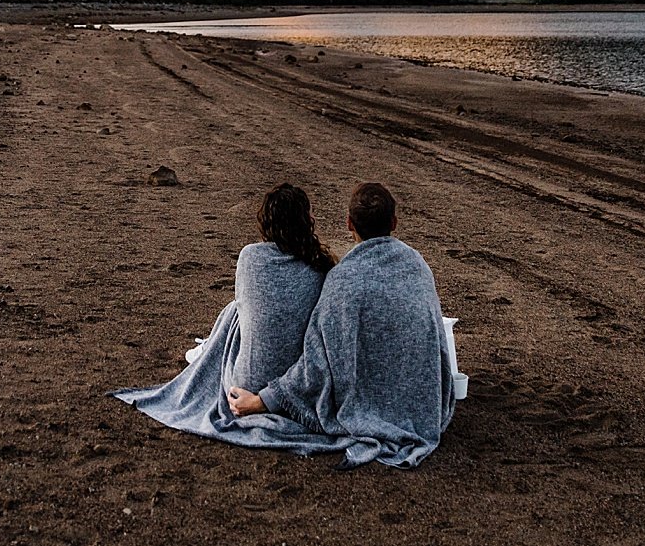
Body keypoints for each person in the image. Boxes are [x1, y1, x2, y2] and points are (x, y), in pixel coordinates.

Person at [226, 182, 457, 468]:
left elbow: (318, 361)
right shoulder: (417, 265)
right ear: (394, 222)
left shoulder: (342, 280)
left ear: (349, 223)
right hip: (418, 398)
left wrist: (264, 401)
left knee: (235, 315)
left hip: (281, 385)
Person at [110, 184, 335, 437]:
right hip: (297, 389)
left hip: (245, 386)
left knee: (237, 312)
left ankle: (207, 351)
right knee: (248, 312)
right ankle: (207, 350)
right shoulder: (320, 267)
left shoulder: (250, 257)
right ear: (306, 221)